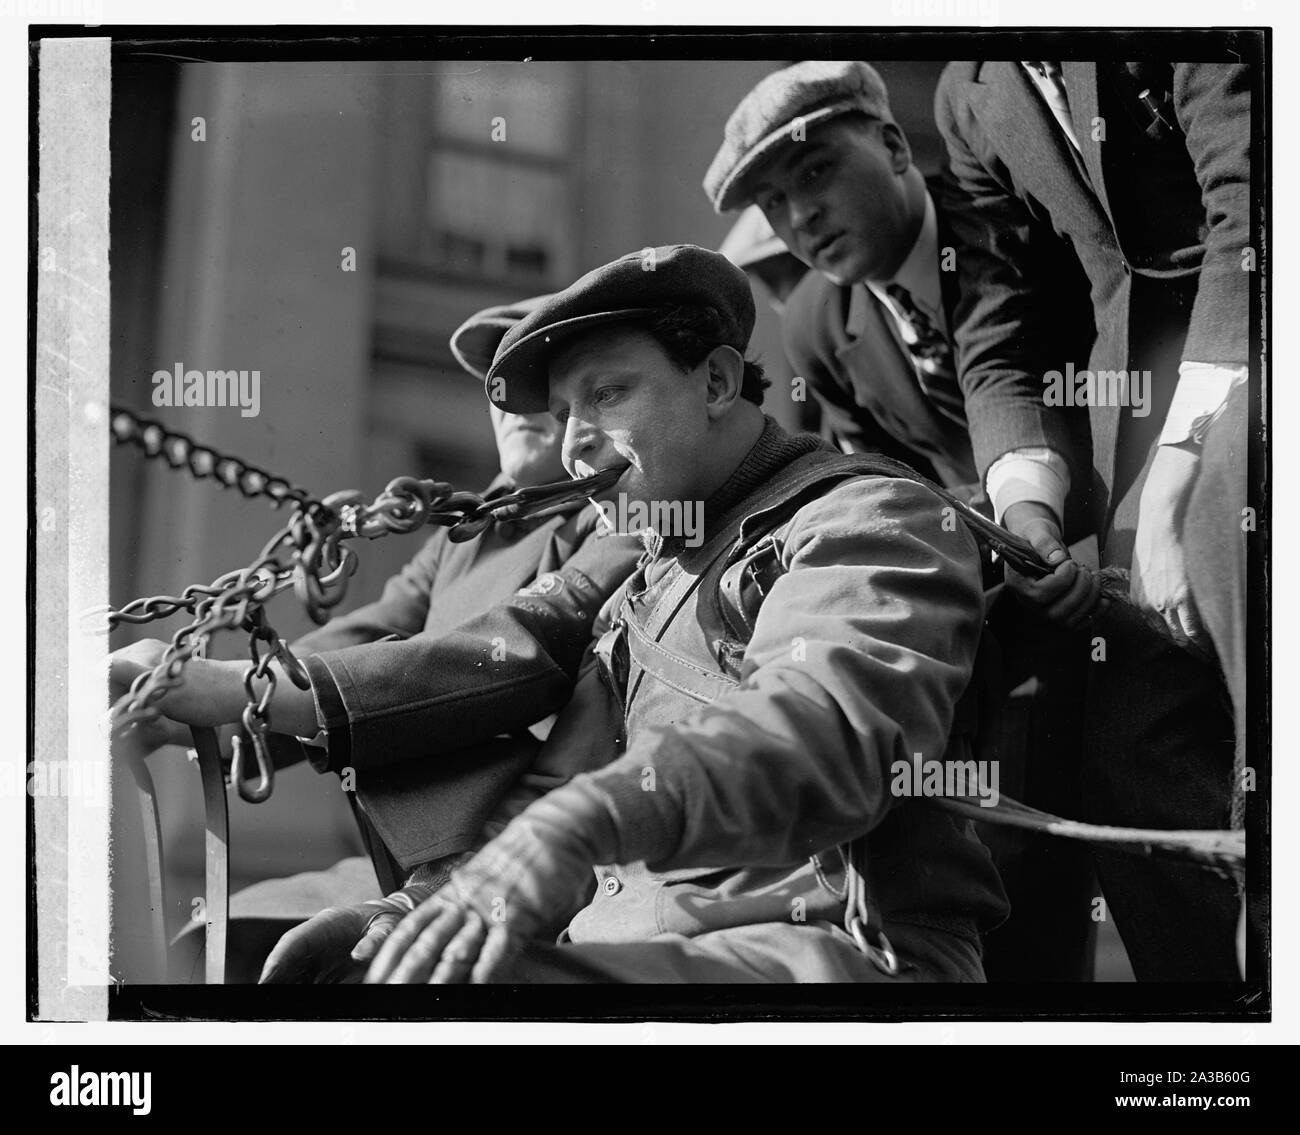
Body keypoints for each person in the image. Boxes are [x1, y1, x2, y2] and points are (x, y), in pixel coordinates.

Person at [270, 243, 1009, 985]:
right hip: (632, 963)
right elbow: (554, 792)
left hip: (832, 959)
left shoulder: (867, 516)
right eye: (562, 413)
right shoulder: (646, 582)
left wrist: (588, 820)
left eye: (607, 394)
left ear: (716, 381)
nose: (572, 441)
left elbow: (821, 731)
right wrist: (422, 909)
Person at [704, 60, 1097, 981]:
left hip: (1120, 581)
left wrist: (1052, 529)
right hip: (997, 644)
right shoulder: (814, 324)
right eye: (772, 202)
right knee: (1015, 902)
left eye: (813, 174)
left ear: (891, 145)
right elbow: (887, 490)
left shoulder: (1008, 219)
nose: (798, 218)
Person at [110, 297, 642, 979]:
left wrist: (237, 691)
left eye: (538, 378)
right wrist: (192, 705)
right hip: (417, 851)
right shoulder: (470, 535)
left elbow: (514, 651)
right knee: (222, 940)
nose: (513, 400)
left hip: (555, 857)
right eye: (497, 383)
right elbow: (361, 640)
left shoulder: (636, 510)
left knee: (326, 968)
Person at [935, 60, 1254, 979]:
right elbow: (1004, 326)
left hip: (1262, 344)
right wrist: (1027, 509)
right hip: (1131, 420)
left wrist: (1180, 467)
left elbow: (1258, 199)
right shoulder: (970, 96)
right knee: (1131, 747)